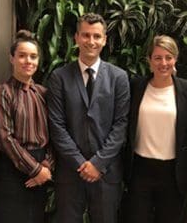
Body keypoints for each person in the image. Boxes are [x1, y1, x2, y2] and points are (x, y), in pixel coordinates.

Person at [47, 13, 130, 223]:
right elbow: (56, 126)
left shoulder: (118, 77)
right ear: (76, 38)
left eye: (96, 36)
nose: (91, 41)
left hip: (106, 172)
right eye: (85, 35)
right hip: (70, 172)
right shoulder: (59, 77)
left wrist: (98, 163)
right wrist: (80, 163)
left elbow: (121, 125)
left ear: (104, 40)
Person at [123, 35, 187, 223]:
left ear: (175, 59)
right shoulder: (136, 86)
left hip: (174, 173)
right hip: (140, 170)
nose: (163, 63)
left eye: (168, 57)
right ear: (149, 60)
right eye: (157, 57)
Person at [0, 30, 54, 222]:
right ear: (12, 58)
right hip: (11, 171)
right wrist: (35, 170)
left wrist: (47, 167)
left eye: (33, 57)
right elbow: (5, 137)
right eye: (22, 55)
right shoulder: (3, 92)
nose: (28, 61)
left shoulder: (43, 93)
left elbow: (55, 133)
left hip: (42, 171)